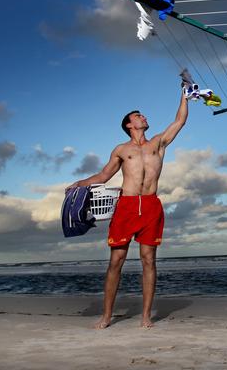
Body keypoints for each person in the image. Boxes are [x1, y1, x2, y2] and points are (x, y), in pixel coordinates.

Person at [66, 89, 188, 329]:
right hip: (127, 206)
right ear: (129, 124)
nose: (143, 117)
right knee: (116, 261)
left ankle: (145, 317)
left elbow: (180, 121)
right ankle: (107, 316)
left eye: (142, 115)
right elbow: (104, 174)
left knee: (149, 261)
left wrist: (184, 94)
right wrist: (80, 183)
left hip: (151, 205)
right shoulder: (121, 150)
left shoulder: (158, 143)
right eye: (138, 116)